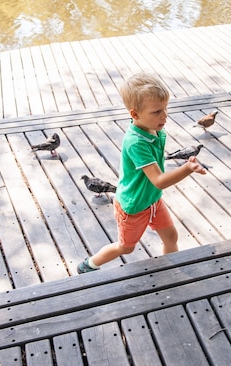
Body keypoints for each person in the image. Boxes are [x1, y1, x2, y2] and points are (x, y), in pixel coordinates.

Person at [77, 73, 207, 274]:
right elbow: (159, 181)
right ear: (135, 114)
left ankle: (171, 270)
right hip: (134, 206)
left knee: (171, 237)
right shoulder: (136, 142)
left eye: (165, 109)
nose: (164, 116)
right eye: (156, 112)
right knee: (126, 247)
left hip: (153, 201)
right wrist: (187, 168)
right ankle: (89, 265)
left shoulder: (155, 130)